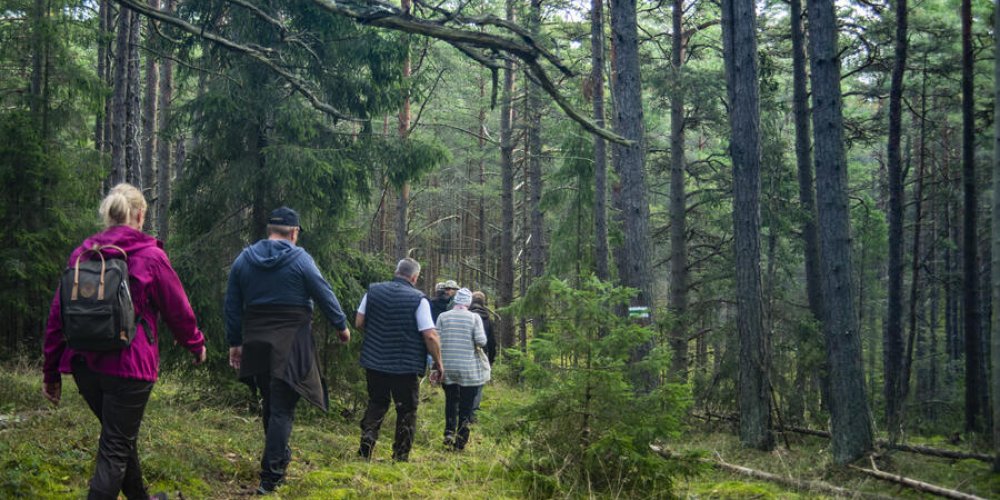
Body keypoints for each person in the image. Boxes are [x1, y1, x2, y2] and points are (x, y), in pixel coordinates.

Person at [42, 183, 207, 500]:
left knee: (118, 438)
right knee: (116, 446)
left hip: (84, 365)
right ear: (140, 214)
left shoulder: (82, 255)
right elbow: (178, 309)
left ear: (109, 216)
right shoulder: (151, 257)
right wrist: (195, 344)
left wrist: (51, 373)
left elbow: (57, 316)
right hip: (129, 369)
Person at [224, 206, 350, 494]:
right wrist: (341, 326)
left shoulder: (244, 259)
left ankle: (277, 461)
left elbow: (231, 303)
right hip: (290, 342)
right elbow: (323, 291)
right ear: (294, 233)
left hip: (256, 341)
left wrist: (235, 343)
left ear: (270, 230)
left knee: (271, 403)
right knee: (281, 408)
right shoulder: (300, 259)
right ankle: (271, 476)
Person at [355, 258, 444, 462]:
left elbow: (359, 321)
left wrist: (378, 333)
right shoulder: (419, 299)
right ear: (415, 277)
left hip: (374, 361)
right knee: (406, 409)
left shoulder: (373, 290)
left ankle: (367, 442)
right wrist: (439, 362)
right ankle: (400, 455)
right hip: (405, 366)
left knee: (377, 402)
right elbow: (430, 335)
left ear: (396, 272)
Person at [437, 288, 489, 451]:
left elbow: (436, 340)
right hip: (469, 369)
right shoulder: (474, 318)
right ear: (468, 303)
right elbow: (481, 341)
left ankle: (448, 432)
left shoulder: (443, 317)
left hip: (448, 366)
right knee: (466, 405)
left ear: (455, 301)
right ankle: (461, 440)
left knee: (451, 400)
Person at [468, 291, 495, 417]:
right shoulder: (488, 319)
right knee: (479, 382)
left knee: (465, 381)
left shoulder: (468, 315)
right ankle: (474, 410)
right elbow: (492, 342)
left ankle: (464, 409)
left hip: (467, 352)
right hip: (482, 353)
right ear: (483, 302)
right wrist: (491, 360)